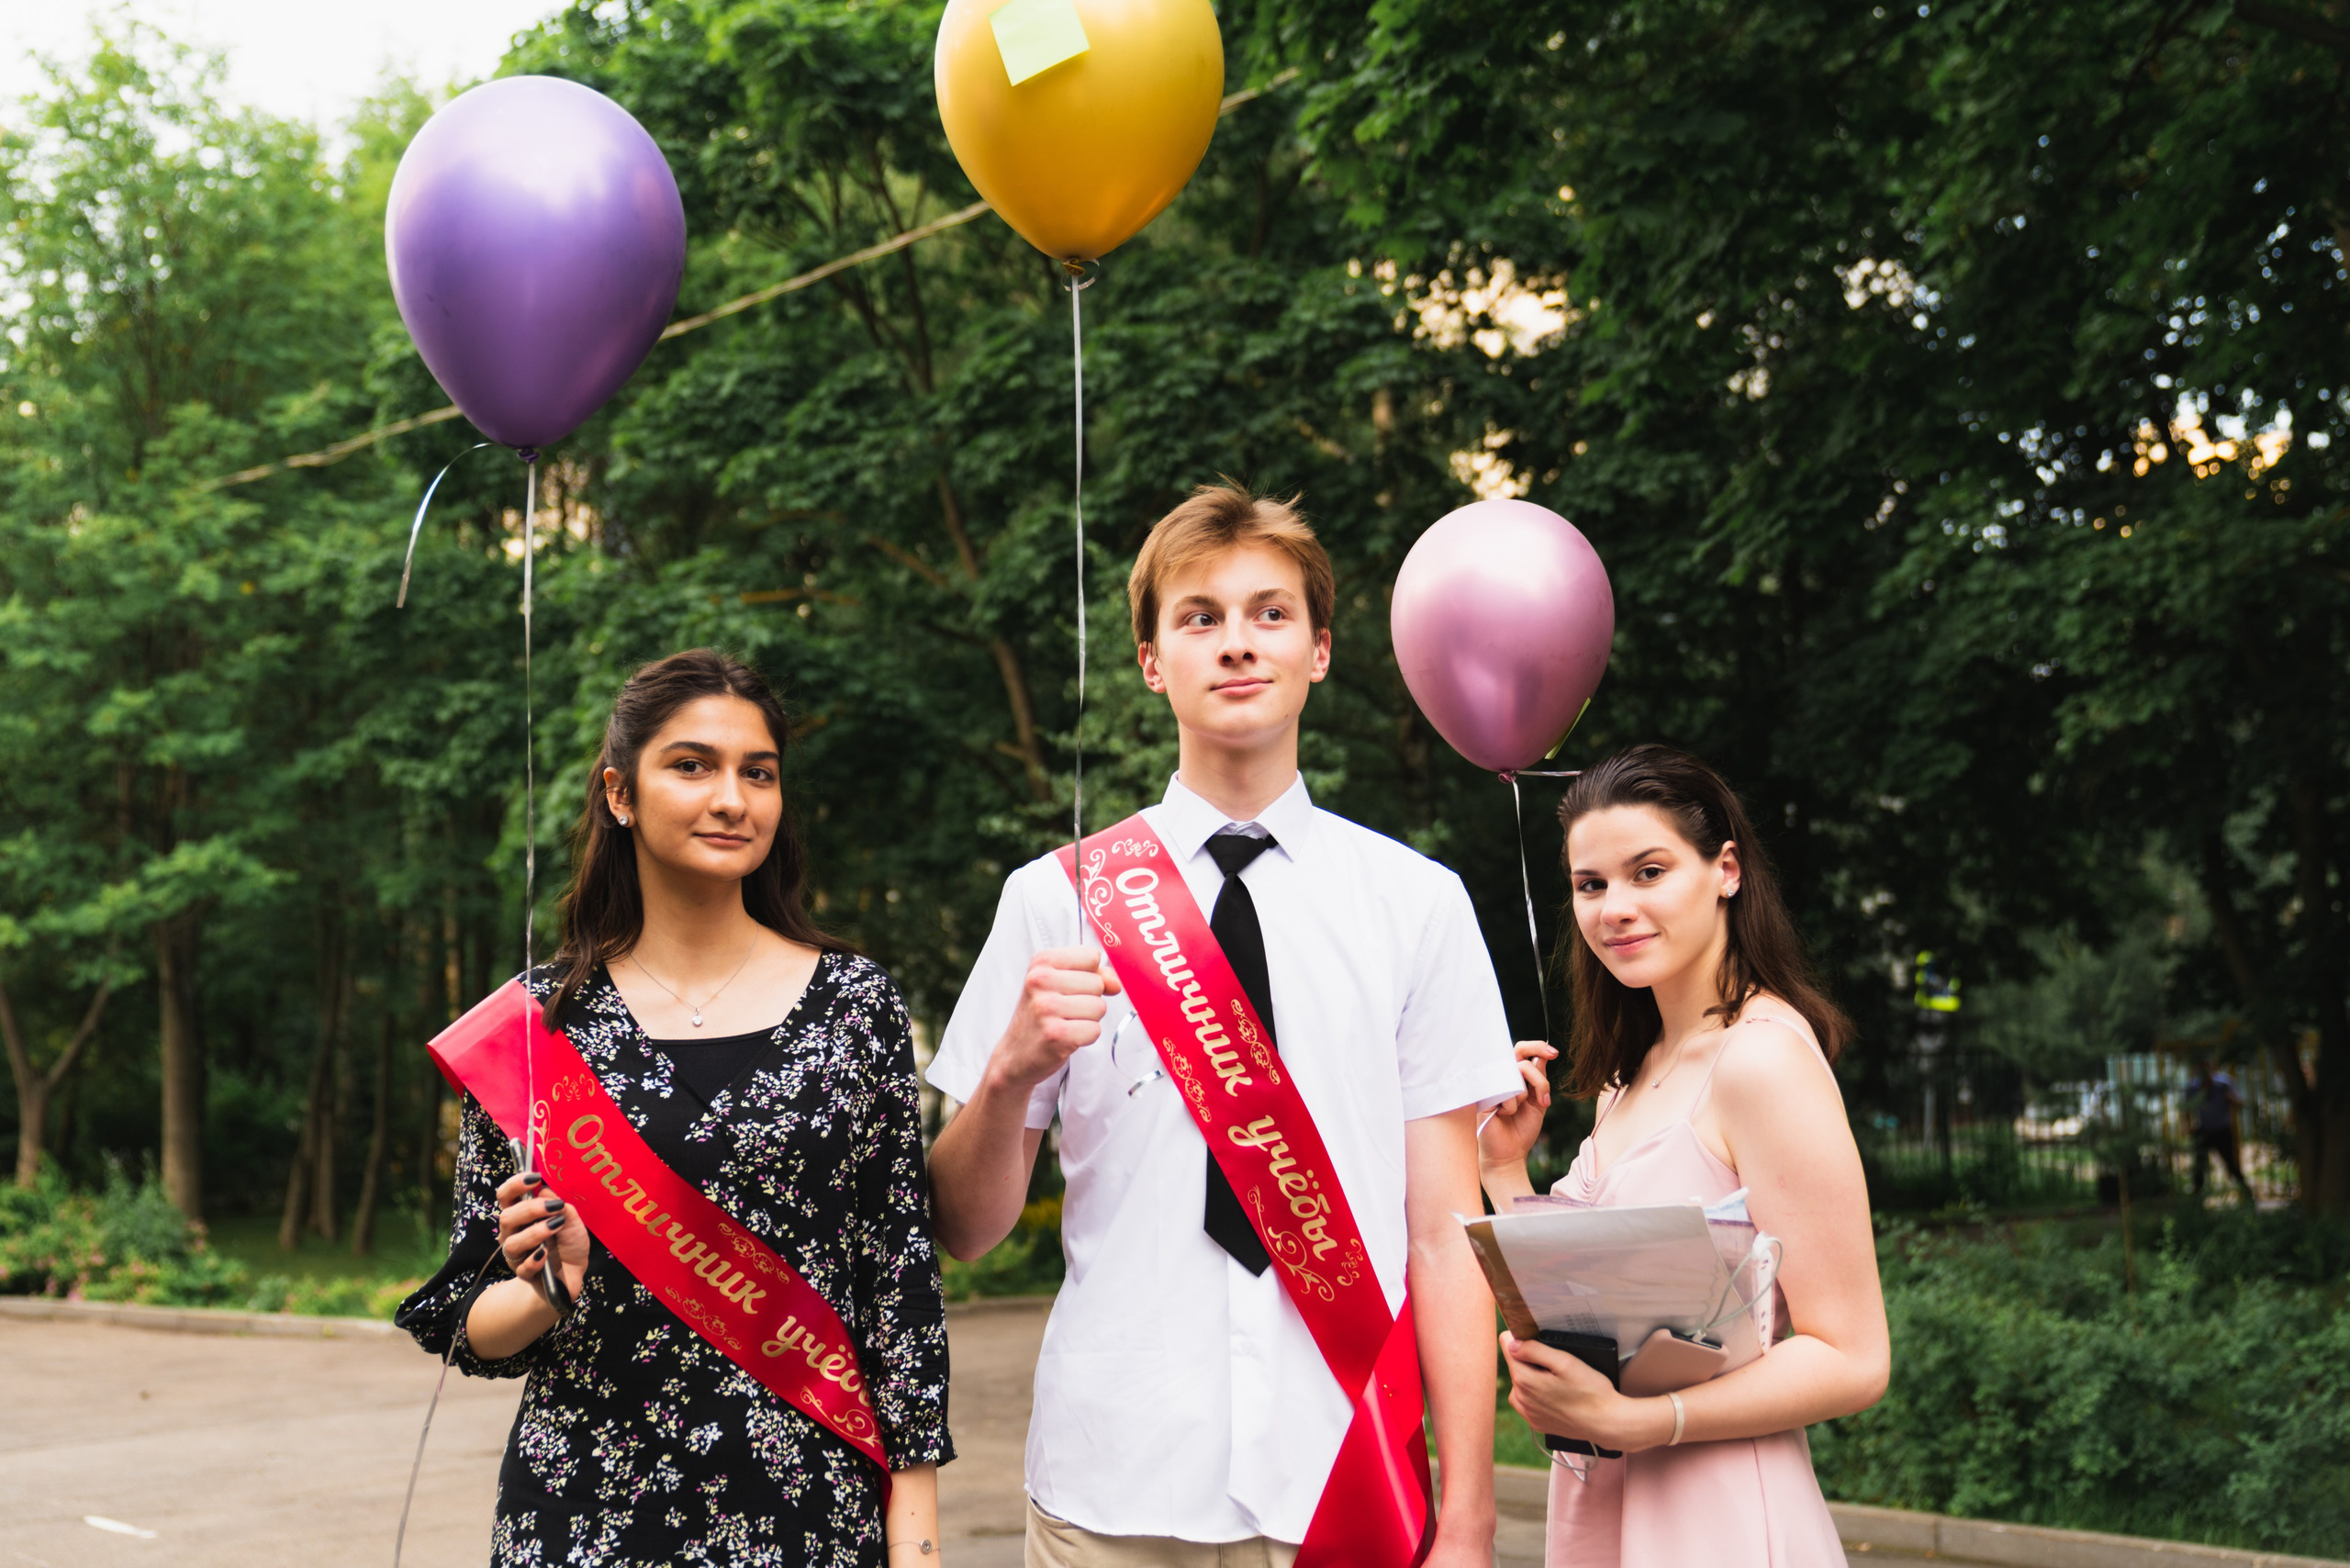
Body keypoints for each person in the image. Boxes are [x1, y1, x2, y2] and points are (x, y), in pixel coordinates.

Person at [923, 484, 1523, 1568]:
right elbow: (967, 1229)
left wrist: (1468, 1515)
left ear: (1320, 650)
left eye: (1269, 613)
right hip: (1112, 1486)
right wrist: (1009, 1072)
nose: (1237, 643)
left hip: (1342, 1481)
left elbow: (1442, 1235)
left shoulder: (1415, 902)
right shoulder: (1056, 898)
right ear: (1152, 661)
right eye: (1199, 616)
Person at [396, 649, 953, 1567]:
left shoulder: (856, 1005)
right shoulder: (536, 1029)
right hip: (582, 1514)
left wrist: (918, 1544)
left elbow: (897, 1288)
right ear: (620, 792)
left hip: (811, 1510)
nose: (732, 797)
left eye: (758, 772)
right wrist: (547, 1288)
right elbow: (470, 1320)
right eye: (692, 765)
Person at [1477, 745, 1889, 1568]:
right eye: (1591, 885)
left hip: (1721, 1513)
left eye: (1649, 872)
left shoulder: (1761, 1062)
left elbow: (1853, 1357)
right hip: (1610, 1500)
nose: (1614, 907)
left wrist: (1643, 1422)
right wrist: (1501, 1169)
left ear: (1726, 870)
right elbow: (1592, 1314)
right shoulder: (1630, 1077)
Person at [2184, 1058, 2255, 1202]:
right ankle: (2197, 1198)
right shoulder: (2192, 1087)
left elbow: (2239, 1102)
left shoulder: (2223, 1084)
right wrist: (2187, 1125)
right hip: (2203, 1131)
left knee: (2232, 1164)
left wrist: (2230, 1098)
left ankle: (2247, 1194)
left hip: (2222, 1130)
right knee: (2199, 1167)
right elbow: (2186, 1109)